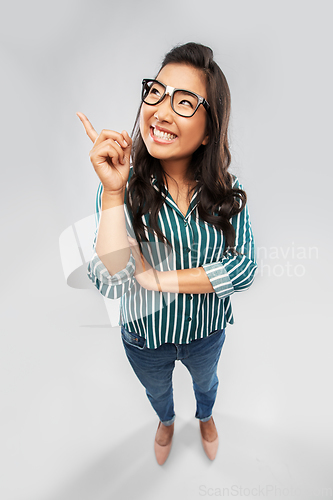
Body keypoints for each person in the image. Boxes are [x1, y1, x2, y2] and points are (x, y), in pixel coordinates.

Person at [77, 42, 257, 465]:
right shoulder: (123, 185)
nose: (159, 109)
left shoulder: (227, 192)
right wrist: (114, 192)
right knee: (156, 391)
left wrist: (159, 279)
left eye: (184, 101)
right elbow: (109, 279)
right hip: (145, 339)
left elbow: (245, 268)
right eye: (155, 92)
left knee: (207, 384)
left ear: (209, 130)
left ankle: (206, 416)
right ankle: (166, 420)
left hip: (206, 332)